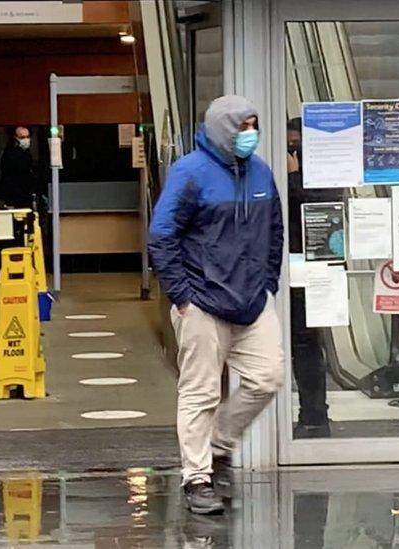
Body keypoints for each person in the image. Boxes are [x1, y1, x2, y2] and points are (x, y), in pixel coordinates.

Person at [149, 95, 285, 515]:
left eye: (254, 125)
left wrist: (268, 281)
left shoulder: (260, 172)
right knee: (200, 392)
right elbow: (162, 235)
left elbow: (275, 228)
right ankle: (197, 478)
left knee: (268, 378)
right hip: (203, 303)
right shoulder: (189, 173)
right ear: (223, 128)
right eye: (243, 126)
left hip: (252, 301)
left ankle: (219, 445)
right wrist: (183, 297)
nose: (250, 134)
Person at [285, 117, 332, 438]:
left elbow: (319, 207)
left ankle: (314, 416)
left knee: (306, 345)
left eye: (297, 145)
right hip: (279, 264)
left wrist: (292, 175)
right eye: (288, 146)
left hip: (310, 266)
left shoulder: (324, 173)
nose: (292, 151)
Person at [0, 126, 38, 208]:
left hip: (26, 192)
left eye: (28, 137)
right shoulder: (10, 154)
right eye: (22, 137)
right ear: (16, 138)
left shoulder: (27, 153)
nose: (26, 140)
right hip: (14, 194)